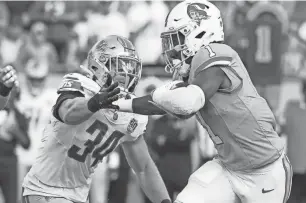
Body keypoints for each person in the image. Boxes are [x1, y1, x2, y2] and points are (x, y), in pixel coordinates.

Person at [111, 0, 292, 202]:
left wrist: (163, 95)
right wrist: (119, 104)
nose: (171, 48)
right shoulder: (193, 72)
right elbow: (165, 105)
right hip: (229, 167)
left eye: (178, 37)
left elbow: (188, 102)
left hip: (264, 169)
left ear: (199, 31)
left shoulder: (214, 53)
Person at [22, 35, 171, 203]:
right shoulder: (81, 84)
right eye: (120, 65)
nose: (127, 73)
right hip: (45, 189)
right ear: (98, 65)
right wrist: (95, 102)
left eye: (131, 67)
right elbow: (68, 113)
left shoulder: (129, 113)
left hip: (77, 195)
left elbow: (144, 168)